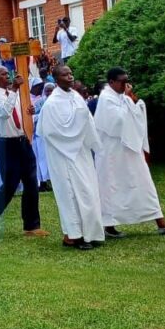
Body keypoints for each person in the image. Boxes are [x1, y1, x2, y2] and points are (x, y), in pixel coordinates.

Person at [94, 67, 165, 238]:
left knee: (144, 183)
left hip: (130, 150)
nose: (126, 85)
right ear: (111, 82)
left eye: (127, 80)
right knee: (111, 187)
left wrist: (133, 102)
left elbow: (134, 115)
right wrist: (129, 100)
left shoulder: (121, 97)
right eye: (122, 81)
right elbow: (117, 123)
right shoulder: (106, 99)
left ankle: (160, 221)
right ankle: (109, 225)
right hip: (112, 154)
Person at [38, 65, 104, 250]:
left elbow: (87, 122)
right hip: (63, 156)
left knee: (88, 191)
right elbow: (52, 132)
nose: (70, 76)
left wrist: (89, 138)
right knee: (71, 195)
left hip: (81, 153)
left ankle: (91, 232)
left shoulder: (76, 96)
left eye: (70, 73)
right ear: (56, 79)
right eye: (65, 74)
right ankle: (74, 235)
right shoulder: (52, 103)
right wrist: (79, 120)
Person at [0, 66, 47, 237]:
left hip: (23, 140)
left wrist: (28, 112)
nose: (7, 75)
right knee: (10, 184)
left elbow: (18, 114)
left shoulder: (14, 95)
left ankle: (31, 225)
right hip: (7, 144)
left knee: (31, 183)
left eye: (7, 73)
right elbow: (3, 113)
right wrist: (15, 89)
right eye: (2, 74)